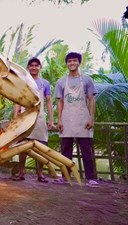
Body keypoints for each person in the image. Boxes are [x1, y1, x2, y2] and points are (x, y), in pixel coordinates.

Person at [54, 52, 98, 186]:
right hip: (67, 119)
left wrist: (91, 118)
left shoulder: (87, 80)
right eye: (69, 61)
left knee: (87, 149)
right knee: (65, 150)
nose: (72, 63)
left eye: (74, 61)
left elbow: (91, 100)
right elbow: (60, 102)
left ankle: (91, 178)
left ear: (79, 62)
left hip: (82, 119)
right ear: (66, 64)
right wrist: (59, 120)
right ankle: (66, 176)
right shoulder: (61, 82)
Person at [13, 57, 54, 183]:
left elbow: (48, 101)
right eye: (31, 65)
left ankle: (40, 174)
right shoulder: (23, 82)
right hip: (25, 116)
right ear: (28, 68)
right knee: (23, 146)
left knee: (41, 147)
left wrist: (51, 119)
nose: (34, 67)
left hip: (40, 117)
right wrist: (16, 116)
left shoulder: (45, 84)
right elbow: (18, 100)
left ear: (40, 67)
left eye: (36, 65)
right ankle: (21, 172)